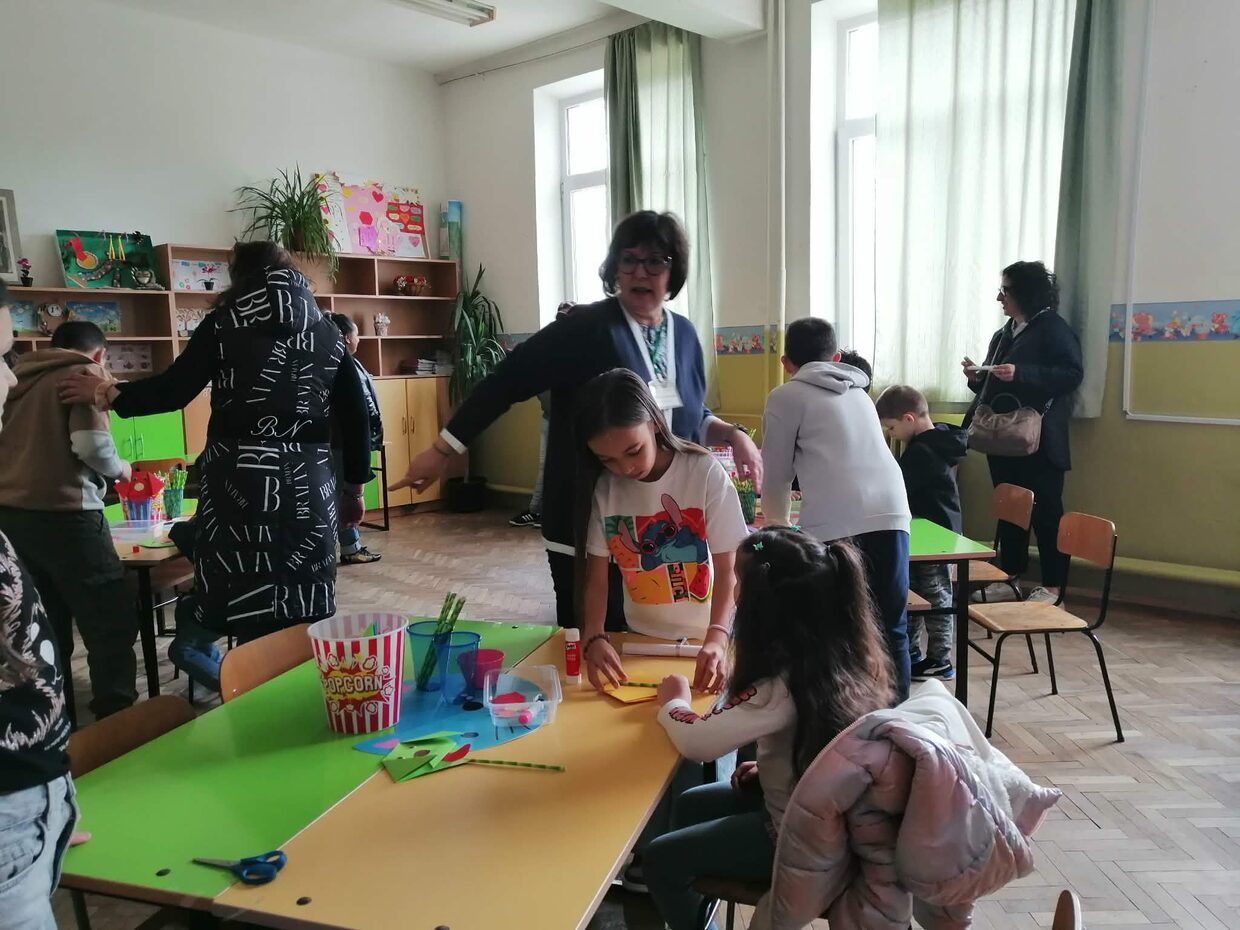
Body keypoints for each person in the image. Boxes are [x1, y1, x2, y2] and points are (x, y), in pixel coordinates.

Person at [391, 211, 762, 630]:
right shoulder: (585, 329)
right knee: (592, 639)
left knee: (658, 635)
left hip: (666, 528)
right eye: (629, 260)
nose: (641, 272)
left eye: (655, 261)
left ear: (673, 270)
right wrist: (443, 449)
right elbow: (506, 381)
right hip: (591, 517)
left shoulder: (687, 335)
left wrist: (733, 435)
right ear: (614, 267)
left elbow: (687, 414)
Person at [59, 241, 372, 643]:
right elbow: (356, 416)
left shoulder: (225, 323)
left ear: (240, 277)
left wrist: (108, 392)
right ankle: (294, 669)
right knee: (303, 598)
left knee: (244, 594)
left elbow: (173, 390)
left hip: (239, 484)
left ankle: (236, 664)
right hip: (309, 486)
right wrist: (355, 489)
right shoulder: (329, 332)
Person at [643, 526, 897, 930]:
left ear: (763, 608)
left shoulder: (780, 687)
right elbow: (826, 746)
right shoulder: (845, 659)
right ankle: (696, 895)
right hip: (826, 818)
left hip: (802, 842)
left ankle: (688, 904)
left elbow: (697, 743)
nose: (734, 593)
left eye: (738, 582)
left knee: (660, 858)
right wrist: (771, 771)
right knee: (691, 803)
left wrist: (674, 701)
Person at [761, 318, 913, 699]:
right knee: (891, 626)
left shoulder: (785, 397)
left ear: (786, 363)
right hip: (893, 511)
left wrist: (776, 534)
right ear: (836, 357)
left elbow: (776, 475)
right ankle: (901, 722)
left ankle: (843, 721)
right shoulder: (860, 393)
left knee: (834, 630)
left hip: (837, 522)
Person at [573, 369, 748, 694]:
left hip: (705, 637)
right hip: (639, 639)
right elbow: (596, 579)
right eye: (607, 460)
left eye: (633, 451)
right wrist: (594, 634)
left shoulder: (703, 472)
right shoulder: (606, 489)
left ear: (654, 421)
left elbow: (729, 569)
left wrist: (718, 636)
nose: (625, 468)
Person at [0, 319, 138, 719]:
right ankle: (118, 721)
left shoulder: (14, 375)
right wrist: (123, 470)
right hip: (69, 516)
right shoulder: (86, 374)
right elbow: (91, 445)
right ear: (100, 353)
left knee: (45, 625)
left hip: (12, 518)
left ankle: (58, 717)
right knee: (108, 624)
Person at [0, 282, 79, 928]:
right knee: (107, 621)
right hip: (10, 819)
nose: (8, 382)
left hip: (32, 804)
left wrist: (54, 801)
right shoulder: (77, 384)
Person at [962, 261, 1083, 604]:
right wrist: (977, 377)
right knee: (1010, 509)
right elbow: (991, 386)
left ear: (1026, 293)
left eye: (1006, 290)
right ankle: (1009, 576)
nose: (999, 298)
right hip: (1002, 437)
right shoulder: (1004, 333)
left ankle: (1054, 587)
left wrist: (1021, 373)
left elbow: (1071, 374)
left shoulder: (1053, 328)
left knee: (1046, 513)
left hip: (1040, 439)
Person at [875, 384, 968, 680]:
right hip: (924, 533)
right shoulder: (931, 442)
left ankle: (940, 659)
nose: (891, 434)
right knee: (913, 591)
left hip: (937, 537)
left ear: (909, 418)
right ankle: (912, 651)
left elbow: (898, 487)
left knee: (936, 596)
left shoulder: (924, 451)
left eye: (891, 427)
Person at [327, 313, 383, 565]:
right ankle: (350, 547)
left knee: (343, 493)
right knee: (344, 494)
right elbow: (361, 409)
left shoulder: (349, 363)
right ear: (347, 338)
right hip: (341, 442)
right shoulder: (341, 366)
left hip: (346, 440)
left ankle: (351, 545)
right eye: (357, 333)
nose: (359, 338)